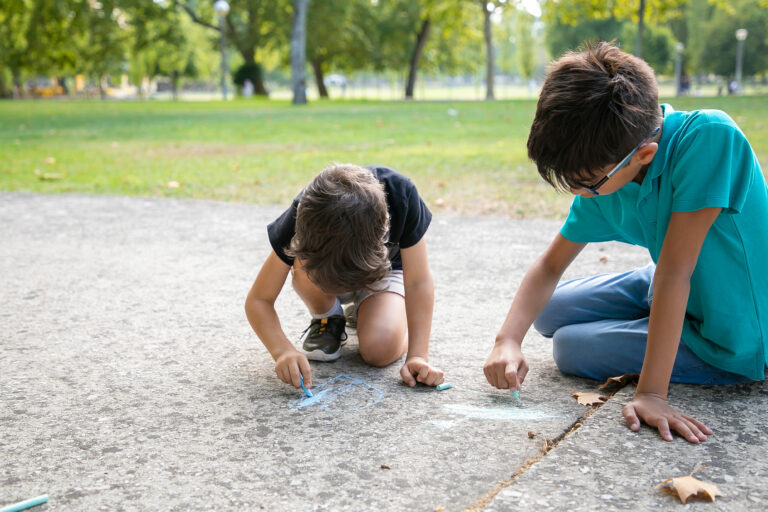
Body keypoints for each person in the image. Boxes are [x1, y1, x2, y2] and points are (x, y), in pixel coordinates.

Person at [484, 42, 767, 444]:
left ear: (645, 154)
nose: (582, 194)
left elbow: (677, 273)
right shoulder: (610, 169)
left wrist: (651, 393)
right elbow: (550, 266)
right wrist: (507, 339)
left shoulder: (709, 139)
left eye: (587, 183)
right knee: (549, 311)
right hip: (665, 283)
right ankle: (650, 326)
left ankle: (659, 336)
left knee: (569, 348)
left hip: (731, 330)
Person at [245, 163, 444, 391]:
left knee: (381, 349)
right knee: (301, 265)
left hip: (382, 272)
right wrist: (282, 350)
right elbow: (259, 299)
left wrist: (418, 355)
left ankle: (373, 310)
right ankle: (328, 317)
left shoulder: (402, 196)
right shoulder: (307, 212)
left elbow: (418, 281)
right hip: (321, 271)